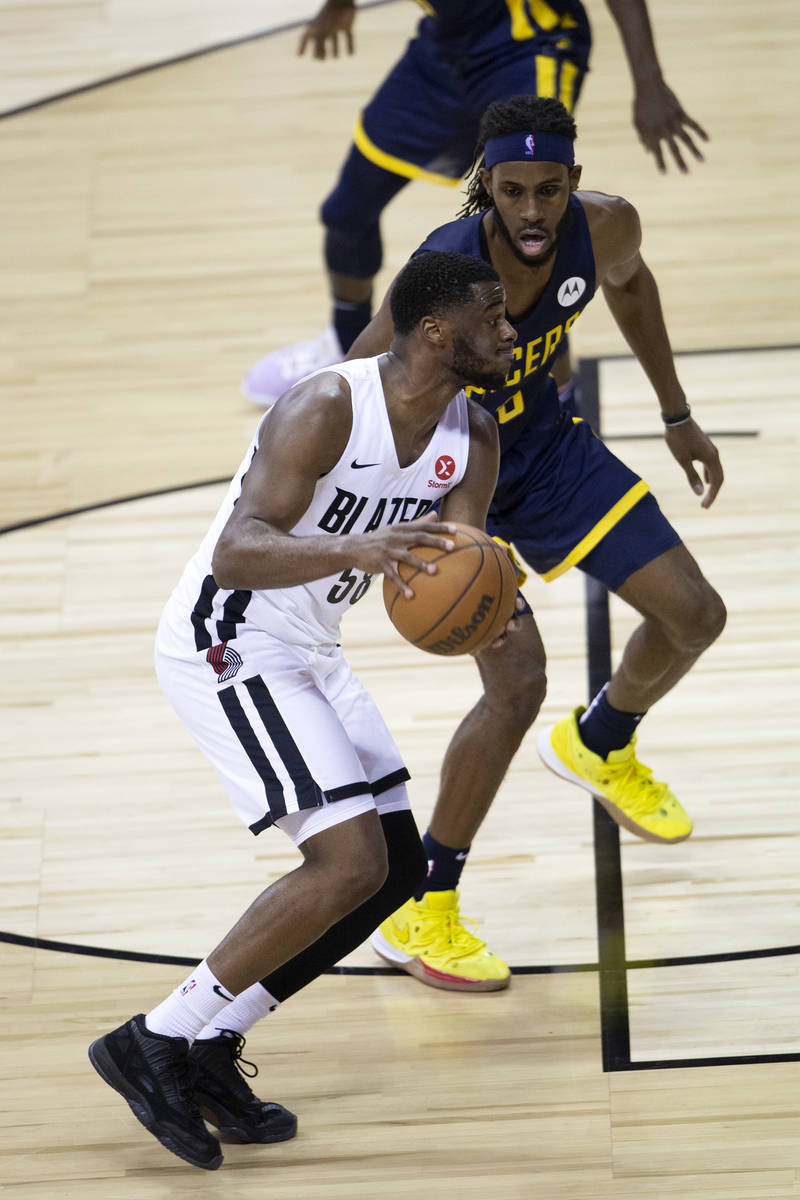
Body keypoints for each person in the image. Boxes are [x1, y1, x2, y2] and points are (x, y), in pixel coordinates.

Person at [87, 250, 521, 1171]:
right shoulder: (328, 405)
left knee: (397, 868)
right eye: (494, 315)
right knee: (346, 858)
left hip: (313, 648)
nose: (511, 329)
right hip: (228, 638)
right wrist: (360, 547)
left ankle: (208, 1041)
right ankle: (152, 1040)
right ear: (437, 333)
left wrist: (486, 604)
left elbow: (462, 553)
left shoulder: (473, 431)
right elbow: (238, 552)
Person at [337, 94, 724, 993]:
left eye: (549, 191)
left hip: (542, 446)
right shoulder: (443, 270)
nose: (533, 212)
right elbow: (359, 380)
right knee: (517, 685)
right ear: (487, 190)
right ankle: (423, 906)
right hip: (447, 468)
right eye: (512, 192)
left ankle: (602, 740)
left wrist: (676, 414)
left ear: (573, 184)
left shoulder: (608, 227)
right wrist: (391, 521)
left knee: (695, 616)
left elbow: (631, 286)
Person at [241, 0, 709, 408]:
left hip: (529, 44)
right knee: (347, 210)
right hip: (445, 52)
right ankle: (347, 346)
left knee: (526, 239)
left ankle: (559, 401)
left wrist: (648, 81)